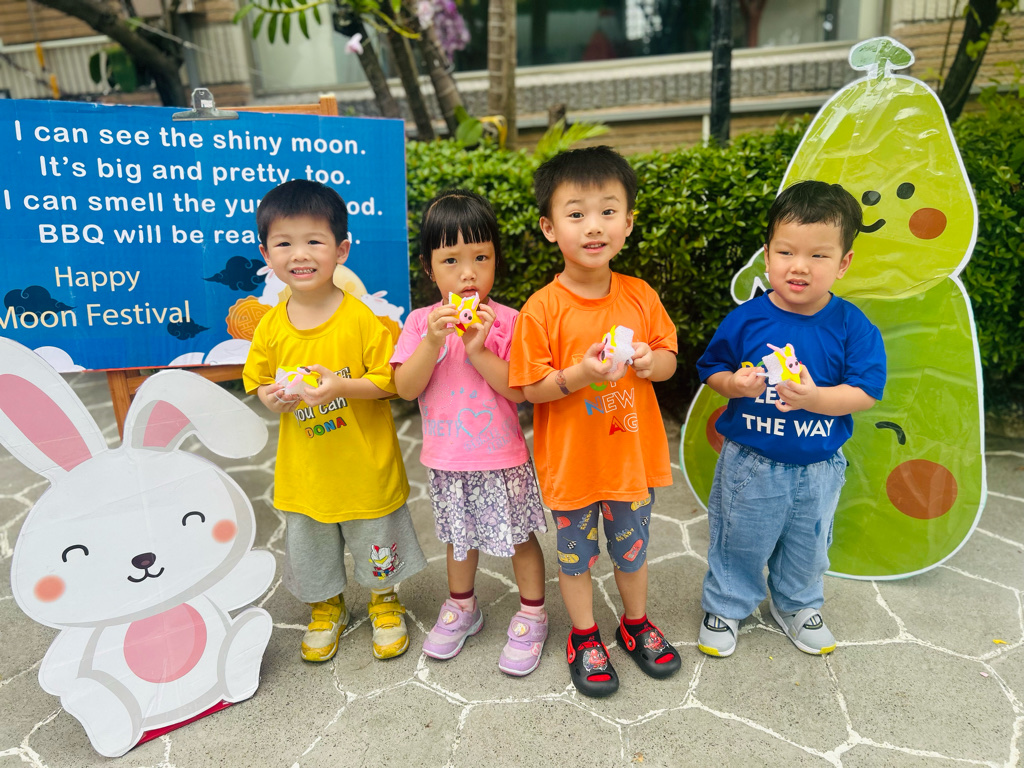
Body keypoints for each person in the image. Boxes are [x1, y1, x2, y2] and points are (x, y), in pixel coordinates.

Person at [508, 146, 682, 697]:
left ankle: (634, 624)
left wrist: (653, 363)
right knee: (575, 560)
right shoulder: (541, 309)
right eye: (576, 213)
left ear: (628, 222)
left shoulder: (640, 295)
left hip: (629, 464)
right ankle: (583, 635)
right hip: (573, 468)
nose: (593, 226)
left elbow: (669, 357)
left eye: (608, 211)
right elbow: (530, 387)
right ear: (549, 227)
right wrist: (580, 373)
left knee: (632, 553)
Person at [695, 180, 886, 658]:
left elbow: (865, 392)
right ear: (767, 256)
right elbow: (711, 369)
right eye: (786, 252)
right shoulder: (746, 319)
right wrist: (734, 384)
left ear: (843, 263)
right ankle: (727, 604)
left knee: (808, 545)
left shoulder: (852, 325)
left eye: (818, 255)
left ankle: (798, 604)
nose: (799, 266)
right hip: (750, 461)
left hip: (820, 466)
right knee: (739, 538)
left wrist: (815, 398)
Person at [243, 179, 426, 664]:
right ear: (266, 253)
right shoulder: (270, 325)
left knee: (376, 538)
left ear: (341, 250)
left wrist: (341, 387)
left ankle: (384, 600)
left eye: (314, 241)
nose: (299, 254)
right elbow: (258, 380)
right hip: (308, 473)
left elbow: (390, 381)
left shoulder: (361, 319)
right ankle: (327, 607)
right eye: (284, 243)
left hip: (365, 467)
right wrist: (271, 398)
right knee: (312, 546)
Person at [391, 190, 549, 676]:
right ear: (428, 268)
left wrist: (479, 349)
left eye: (481, 258)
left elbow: (519, 391)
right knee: (459, 540)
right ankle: (463, 607)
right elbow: (405, 387)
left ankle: (533, 613)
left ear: (496, 260)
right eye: (451, 261)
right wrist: (433, 341)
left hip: (502, 458)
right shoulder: (420, 323)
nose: (468, 274)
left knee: (520, 536)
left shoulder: (509, 322)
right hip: (447, 459)